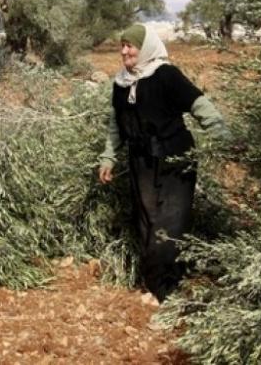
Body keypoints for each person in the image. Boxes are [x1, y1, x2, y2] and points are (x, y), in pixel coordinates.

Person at [98, 23, 229, 301]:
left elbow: (199, 105)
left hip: (174, 158)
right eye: (122, 46)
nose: (124, 51)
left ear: (145, 47)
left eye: (130, 46)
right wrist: (108, 157)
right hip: (141, 162)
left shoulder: (166, 75)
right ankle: (160, 284)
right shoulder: (122, 83)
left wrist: (225, 138)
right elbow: (116, 124)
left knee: (170, 222)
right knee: (147, 223)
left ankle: (165, 291)